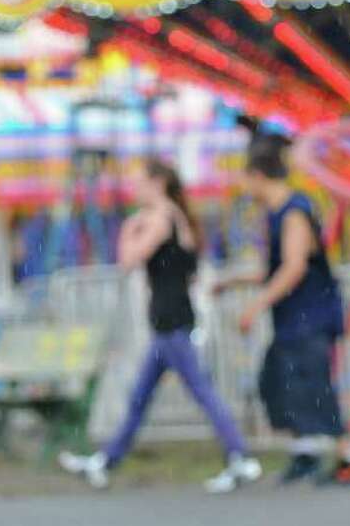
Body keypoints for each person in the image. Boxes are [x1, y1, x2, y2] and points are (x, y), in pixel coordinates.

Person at [59, 160, 261, 493]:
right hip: (168, 321)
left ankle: (240, 456)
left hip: (172, 322)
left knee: (202, 391)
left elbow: (128, 260)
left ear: (158, 183)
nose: (135, 190)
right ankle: (107, 460)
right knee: (140, 397)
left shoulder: (159, 219)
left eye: (140, 183)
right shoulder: (178, 217)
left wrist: (128, 229)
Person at [218, 131, 350, 486]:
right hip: (292, 320)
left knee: (315, 387)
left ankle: (349, 459)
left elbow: (294, 267)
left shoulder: (293, 212)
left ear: (257, 175)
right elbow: (276, 268)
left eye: (244, 176)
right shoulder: (277, 213)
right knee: (279, 384)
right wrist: (232, 283)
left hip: (310, 317)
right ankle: (306, 453)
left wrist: (256, 305)